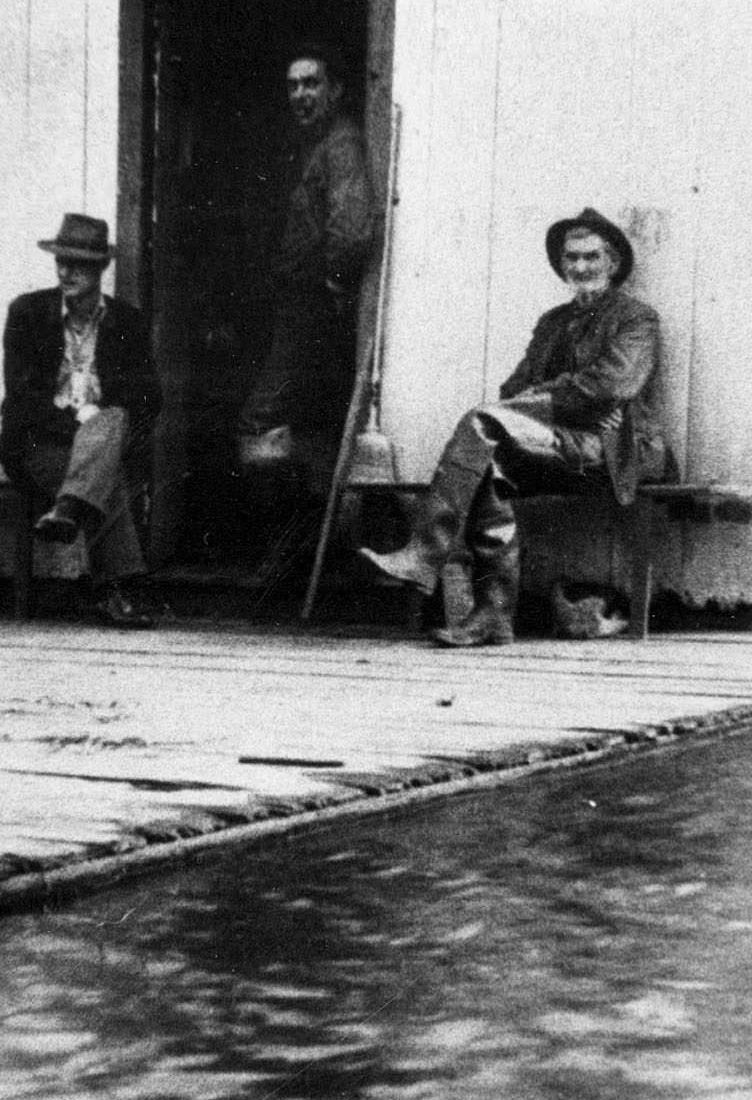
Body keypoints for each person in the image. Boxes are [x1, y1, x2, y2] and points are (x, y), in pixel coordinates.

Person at [359, 208, 668, 648]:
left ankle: (425, 554)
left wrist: (553, 401)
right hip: (565, 442)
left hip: (619, 447)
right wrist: (566, 401)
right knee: (490, 463)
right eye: (571, 258)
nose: (579, 267)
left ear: (613, 263)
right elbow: (514, 389)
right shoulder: (552, 323)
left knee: (483, 421)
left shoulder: (636, 319)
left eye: (591, 257)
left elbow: (613, 385)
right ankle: (492, 617)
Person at [0, 213, 162, 628]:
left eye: (80, 263)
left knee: (112, 423)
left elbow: (148, 399)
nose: (67, 271)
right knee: (107, 474)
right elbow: (21, 398)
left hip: (107, 435)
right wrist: (81, 426)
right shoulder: (28, 314)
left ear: (101, 268)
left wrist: (103, 423)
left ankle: (69, 509)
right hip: (41, 444)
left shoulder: (128, 322)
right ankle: (116, 592)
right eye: (61, 262)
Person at [236, 42, 379, 473]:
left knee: (260, 418)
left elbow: (353, 232)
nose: (300, 94)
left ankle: (287, 528)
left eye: (311, 83)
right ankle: (305, 526)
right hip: (296, 303)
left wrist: (331, 284)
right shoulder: (311, 145)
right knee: (307, 420)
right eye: (293, 85)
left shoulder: (341, 144)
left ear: (335, 90)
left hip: (313, 307)